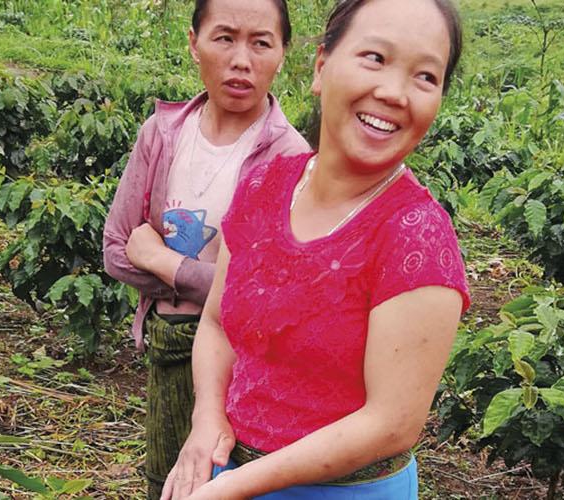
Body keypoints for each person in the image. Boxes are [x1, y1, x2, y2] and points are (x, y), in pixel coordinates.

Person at [161, 0, 469, 498]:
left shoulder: (416, 235)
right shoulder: (264, 185)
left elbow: (391, 423)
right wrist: (207, 417)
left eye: (426, 77)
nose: (393, 92)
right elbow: (218, 323)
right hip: (232, 471)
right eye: (375, 57)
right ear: (322, 66)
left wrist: (237, 486)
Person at [101, 0, 310, 497]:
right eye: (224, 38)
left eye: (261, 42)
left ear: (283, 54)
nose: (242, 59)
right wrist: (209, 280)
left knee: (228, 482)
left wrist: (160, 259)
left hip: (245, 361)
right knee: (167, 482)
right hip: (167, 344)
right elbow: (114, 249)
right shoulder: (162, 134)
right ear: (194, 42)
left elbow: (265, 294)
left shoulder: (291, 159)